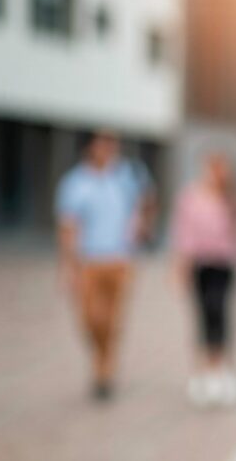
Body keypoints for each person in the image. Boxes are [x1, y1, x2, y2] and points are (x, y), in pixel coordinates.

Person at [56, 131, 156, 402]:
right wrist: (68, 266)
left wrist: (144, 226)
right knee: (90, 319)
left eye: (113, 142)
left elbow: (148, 200)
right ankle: (102, 358)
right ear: (90, 147)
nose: (110, 147)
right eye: (103, 142)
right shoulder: (75, 183)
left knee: (113, 319)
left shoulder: (127, 175)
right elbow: (68, 226)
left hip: (121, 258)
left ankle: (104, 370)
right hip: (88, 261)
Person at [171, 151, 236, 407]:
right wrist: (180, 267)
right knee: (203, 315)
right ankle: (204, 371)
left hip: (223, 265)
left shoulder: (233, 199)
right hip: (201, 265)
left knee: (221, 313)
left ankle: (222, 369)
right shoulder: (191, 197)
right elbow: (184, 234)